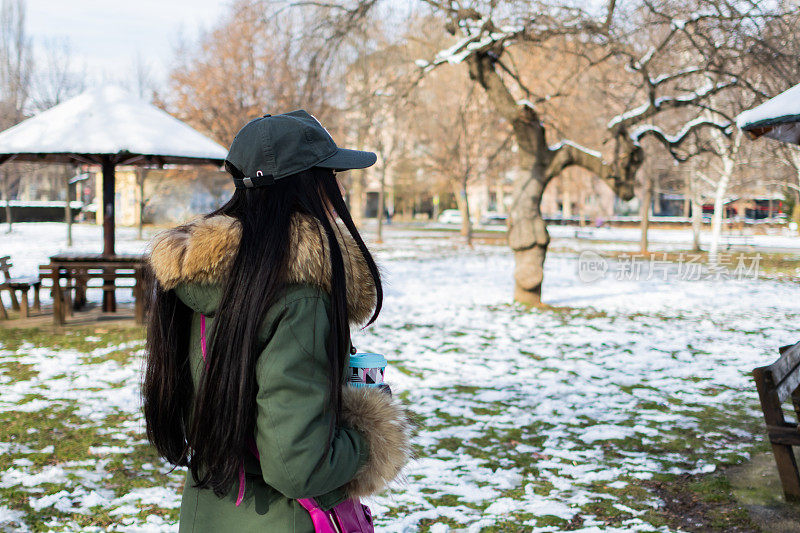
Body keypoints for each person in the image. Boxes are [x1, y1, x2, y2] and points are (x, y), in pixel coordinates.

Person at [143, 110, 412, 532]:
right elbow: (296, 467)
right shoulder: (299, 299)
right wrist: (371, 439)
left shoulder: (195, 277)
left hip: (210, 513)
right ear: (307, 185)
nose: (337, 189)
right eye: (331, 176)